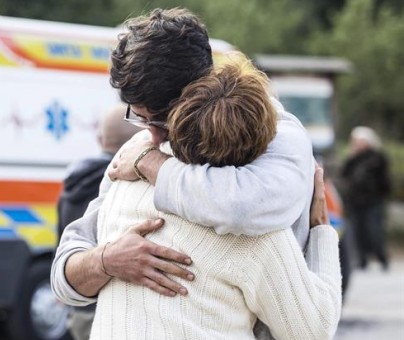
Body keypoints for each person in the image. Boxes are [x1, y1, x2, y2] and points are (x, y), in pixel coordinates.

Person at [52, 7, 315, 306]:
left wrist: (150, 165)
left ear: (202, 91)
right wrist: (105, 261)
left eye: (163, 120)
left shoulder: (275, 129)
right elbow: (64, 276)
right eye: (139, 117)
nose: (151, 136)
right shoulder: (137, 147)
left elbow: (244, 205)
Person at [90, 53, 341, 340]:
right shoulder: (256, 232)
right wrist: (322, 230)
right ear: (265, 141)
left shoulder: (126, 180)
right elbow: (314, 330)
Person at [56, 105, 141, 340]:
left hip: (79, 306)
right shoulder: (126, 183)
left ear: (100, 138)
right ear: (137, 140)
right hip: (109, 308)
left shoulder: (71, 183)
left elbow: (62, 242)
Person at [340, 126, 391, 270]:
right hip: (355, 201)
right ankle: (362, 260)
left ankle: (382, 258)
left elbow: (384, 180)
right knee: (357, 230)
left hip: (373, 200)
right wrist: (351, 156)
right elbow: (345, 174)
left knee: (374, 230)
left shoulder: (377, 157)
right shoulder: (353, 158)